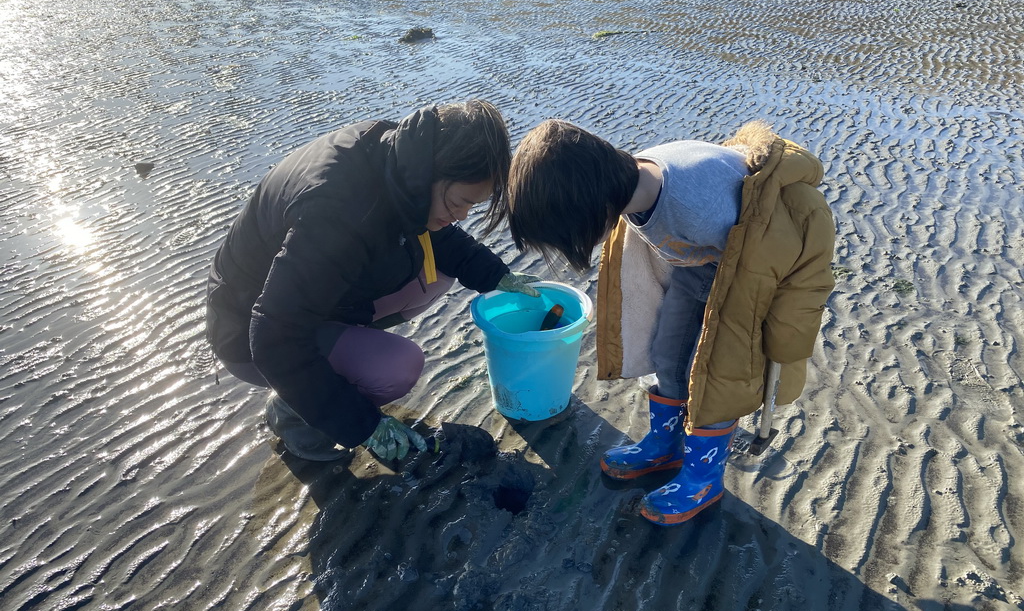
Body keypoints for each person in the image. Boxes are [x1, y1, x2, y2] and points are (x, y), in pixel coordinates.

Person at [505, 119, 835, 525]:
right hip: (705, 262)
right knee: (667, 351)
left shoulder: (695, 208)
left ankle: (702, 477)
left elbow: (776, 265)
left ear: (591, 208)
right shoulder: (629, 185)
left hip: (750, 271)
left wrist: (770, 334)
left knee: (716, 373)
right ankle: (665, 444)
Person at [205, 101, 539, 462]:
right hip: (246, 330)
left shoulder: (403, 154)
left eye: (472, 206)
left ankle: (330, 362)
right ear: (432, 173)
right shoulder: (337, 213)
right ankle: (295, 414)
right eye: (460, 202)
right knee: (396, 368)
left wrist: (497, 275)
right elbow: (271, 335)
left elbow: (437, 236)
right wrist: (361, 424)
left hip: (303, 296)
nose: (462, 216)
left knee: (438, 273)